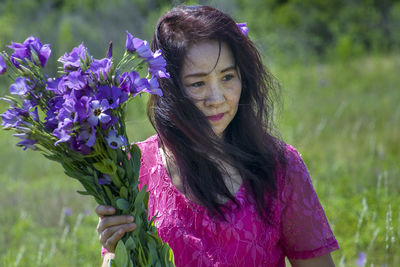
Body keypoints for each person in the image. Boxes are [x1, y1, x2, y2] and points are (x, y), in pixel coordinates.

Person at [95, 5, 339, 267]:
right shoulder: (132, 167)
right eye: (198, 83)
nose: (217, 98)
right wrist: (115, 251)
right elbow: (116, 260)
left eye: (227, 77)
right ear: (168, 87)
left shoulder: (281, 166)